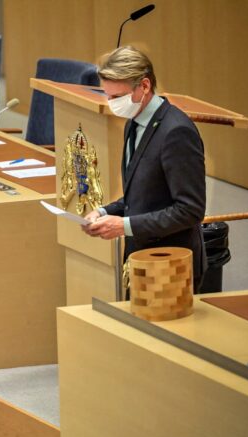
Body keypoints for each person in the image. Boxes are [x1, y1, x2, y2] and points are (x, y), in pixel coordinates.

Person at [82, 46, 206, 290]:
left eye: (117, 97)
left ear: (145, 86)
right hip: (140, 259)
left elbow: (190, 210)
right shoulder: (134, 124)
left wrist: (124, 226)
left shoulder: (177, 132)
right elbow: (141, 193)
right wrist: (104, 212)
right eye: (108, 96)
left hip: (172, 264)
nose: (111, 104)